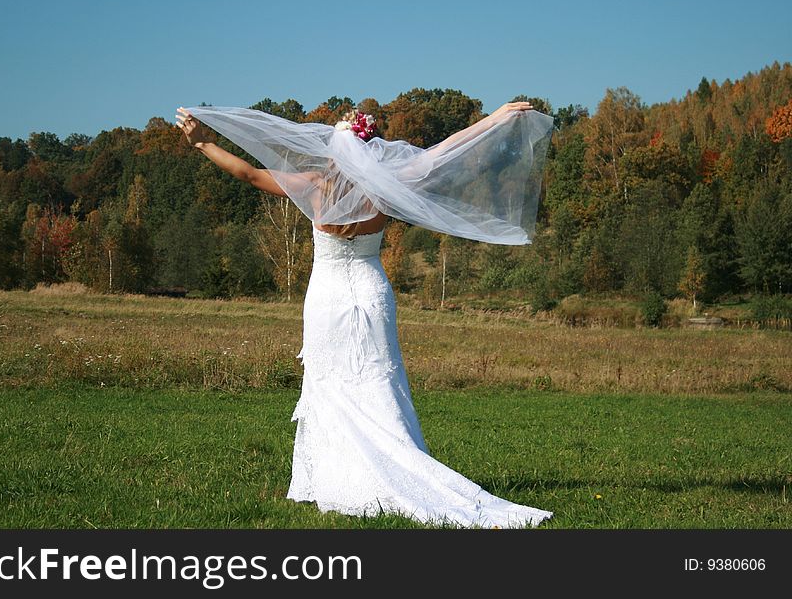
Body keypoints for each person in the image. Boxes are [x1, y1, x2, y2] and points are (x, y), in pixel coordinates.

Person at [176, 101, 554, 528]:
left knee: (330, 381)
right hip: (373, 294)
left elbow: (248, 174)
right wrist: (496, 118)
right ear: (370, 148)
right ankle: (396, 463)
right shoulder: (385, 186)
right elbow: (444, 151)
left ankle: (334, 477)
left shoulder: (315, 185)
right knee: (379, 379)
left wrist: (202, 142)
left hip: (326, 298)